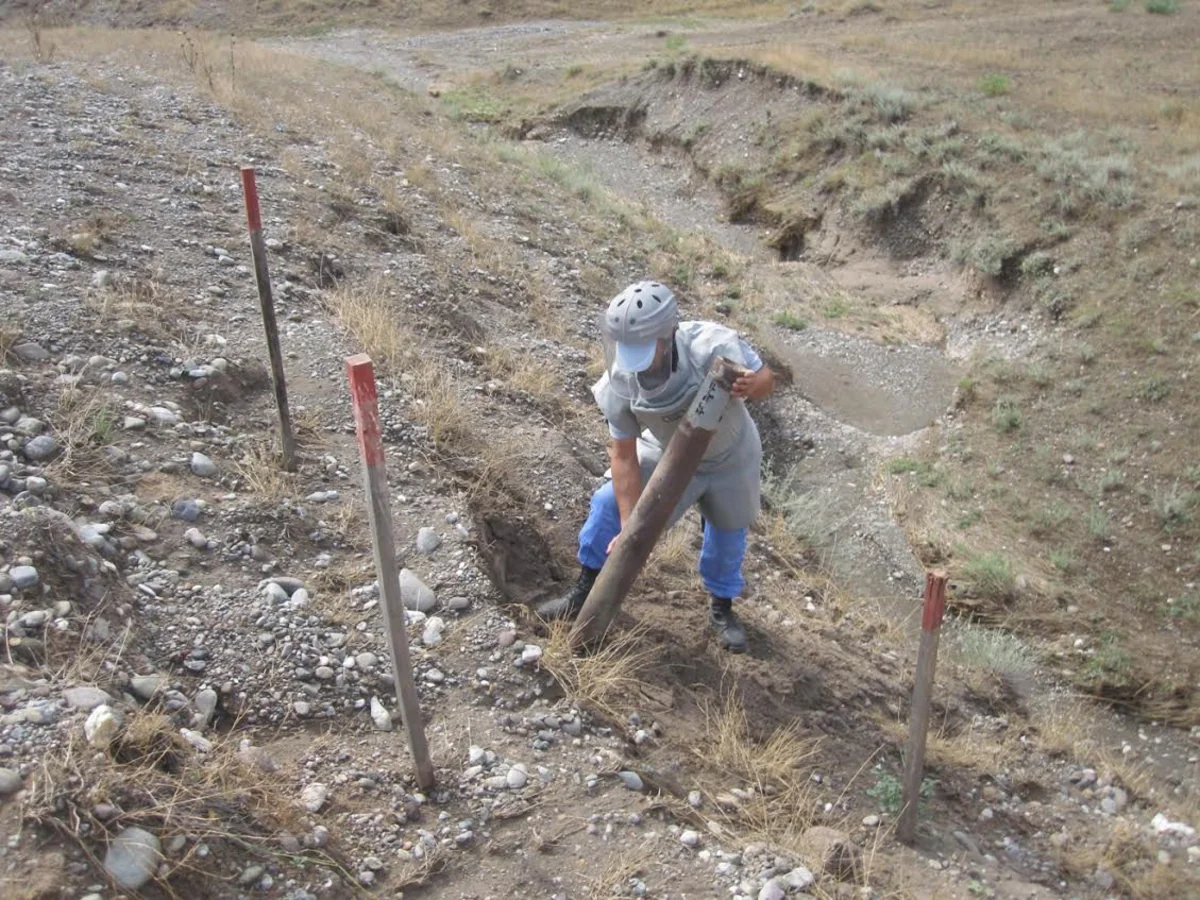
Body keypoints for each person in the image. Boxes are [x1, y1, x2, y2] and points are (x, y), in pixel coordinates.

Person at [536, 280, 776, 653]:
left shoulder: (710, 344)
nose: (636, 361)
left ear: (668, 336)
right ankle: (585, 590)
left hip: (731, 454)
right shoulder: (620, 378)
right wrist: (632, 524)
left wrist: (750, 385)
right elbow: (623, 454)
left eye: (645, 350)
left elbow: (766, 379)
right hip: (665, 451)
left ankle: (722, 606)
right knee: (606, 505)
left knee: (728, 531)